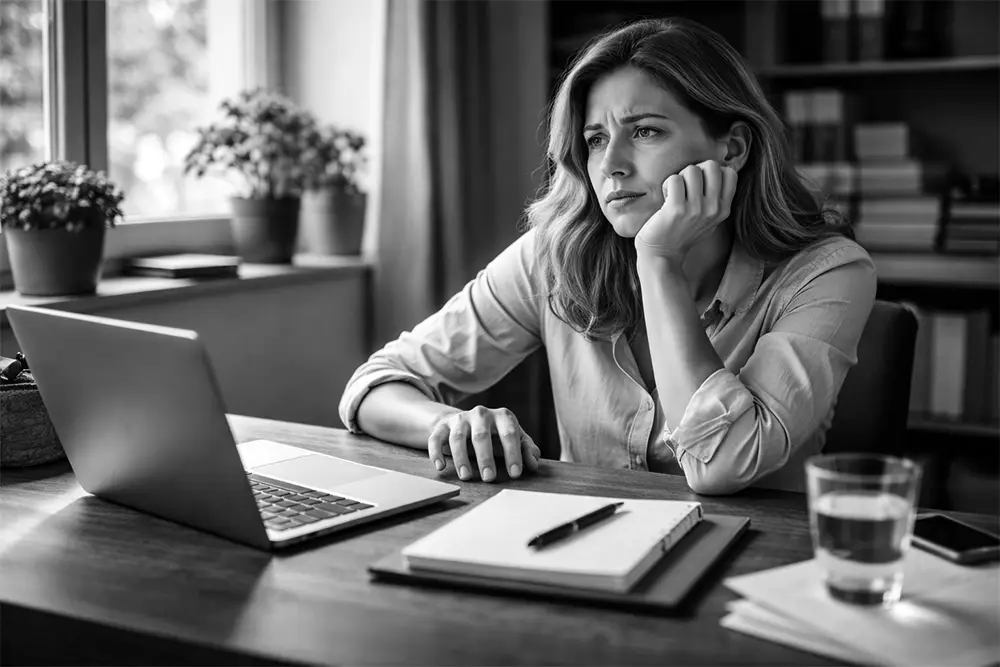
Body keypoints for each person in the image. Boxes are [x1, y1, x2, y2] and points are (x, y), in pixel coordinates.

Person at [339, 17, 876, 495]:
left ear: (731, 148)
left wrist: (659, 260)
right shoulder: (554, 254)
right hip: (584, 555)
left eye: (645, 131)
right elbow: (374, 385)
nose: (611, 165)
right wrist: (445, 424)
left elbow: (724, 465)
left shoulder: (827, 272)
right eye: (595, 140)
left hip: (755, 569)